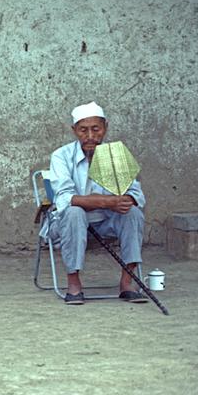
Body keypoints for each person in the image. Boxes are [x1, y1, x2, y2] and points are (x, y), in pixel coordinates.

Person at [43, 102, 147, 305]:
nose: (90, 136)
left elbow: (136, 194)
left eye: (95, 129)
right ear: (74, 131)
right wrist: (109, 202)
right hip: (66, 224)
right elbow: (65, 199)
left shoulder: (116, 155)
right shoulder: (61, 156)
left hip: (106, 222)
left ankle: (127, 283)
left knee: (133, 213)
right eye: (83, 130)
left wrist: (126, 200)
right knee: (74, 212)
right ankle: (74, 284)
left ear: (105, 128)